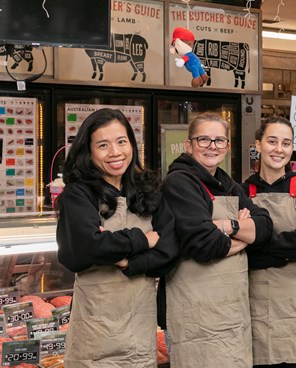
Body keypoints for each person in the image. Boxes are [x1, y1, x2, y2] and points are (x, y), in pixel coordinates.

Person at [56, 108, 177, 367]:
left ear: (132, 144)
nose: (115, 152)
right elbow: (83, 250)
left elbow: (169, 251)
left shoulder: (148, 189)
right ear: (89, 151)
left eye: (122, 141)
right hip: (94, 339)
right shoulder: (79, 193)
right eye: (103, 145)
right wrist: (142, 240)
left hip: (140, 333)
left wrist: (127, 262)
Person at [160, 112, 273, 367]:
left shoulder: (227, 183)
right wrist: (244, 233)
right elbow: (204, 244)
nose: (212, 147)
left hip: (231, 312)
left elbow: (264, 227)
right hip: (194, 315)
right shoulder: (178, 182)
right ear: (189, 145)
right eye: (204, 140)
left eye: (219, 140)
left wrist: (225, 226)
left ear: (228, 146)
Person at [243, 116, 296, 367]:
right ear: (257, 145)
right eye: (272, 141)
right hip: (259, 308)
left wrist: (259, 244)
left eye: (286, 143)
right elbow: (241, 251)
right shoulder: (242, 191)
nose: (279, 149)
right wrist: (290, 248)